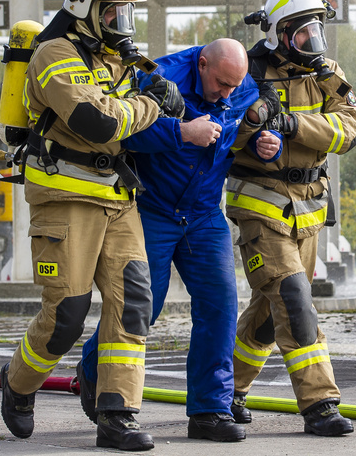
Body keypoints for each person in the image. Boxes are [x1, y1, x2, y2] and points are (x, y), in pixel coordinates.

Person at [0, 0, 185, 452]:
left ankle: (117, 415)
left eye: (127, 12)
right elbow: (98, 122)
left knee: (133, 305)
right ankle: (18, 384)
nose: (121, 23)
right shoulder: (53, 54)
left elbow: (142, 107)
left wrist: (162, 90)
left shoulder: (119, 60)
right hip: (66, 196)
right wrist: (152, 104)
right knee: (66, 315)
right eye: (112, 12)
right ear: (84, 5)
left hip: (118, 199)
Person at [77, 38, 281, 442]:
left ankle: (210, 411)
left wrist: (267, 146)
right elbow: (125, 134)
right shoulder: (158, 76)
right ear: (202, 64)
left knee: (220, 306)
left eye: (234, 86)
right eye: (221, 84)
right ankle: (93, 371)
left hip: (205, 213)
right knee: (142, 307)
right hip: (152, 209)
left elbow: (248, 134)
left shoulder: (243, 86)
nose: (227, 94)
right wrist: (181, 132)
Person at [225, 0, 356, 436]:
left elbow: (349, 129)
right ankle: (320, 403)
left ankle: (226, 391)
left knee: (269, 317)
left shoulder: (326, 73)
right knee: (294, 300)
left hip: (308, 210)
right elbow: (223, 128)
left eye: (316, 30)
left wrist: (291, 124)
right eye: (303, 31)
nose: (312, 40)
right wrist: (253, 136)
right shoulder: (247, 72)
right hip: (259, 207)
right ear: (279, 33)